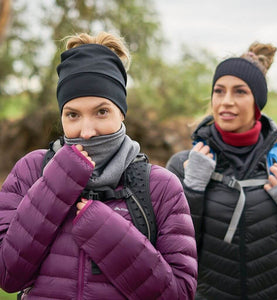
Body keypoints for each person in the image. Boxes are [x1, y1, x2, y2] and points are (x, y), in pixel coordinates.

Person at [0, 31, 197, 299]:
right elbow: (8, 276)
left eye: (101, 111)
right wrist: (56, 186)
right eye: (73, 115)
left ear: (121, 111)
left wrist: (107, 233)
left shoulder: (159, 187)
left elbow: (179, 294)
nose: (87, 131)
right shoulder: (32, 171)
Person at [166, 42, 277, 299]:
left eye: (240, 92)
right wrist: (192, 189)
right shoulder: (182, 166)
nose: (226, 101)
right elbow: (173, 253)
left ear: (257, 102)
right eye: (219, 91)